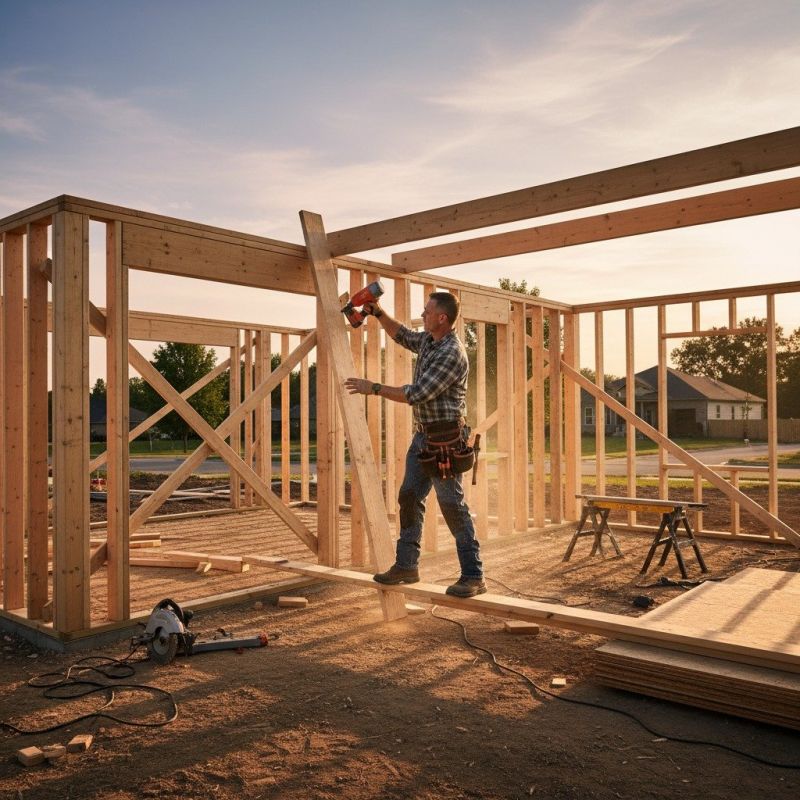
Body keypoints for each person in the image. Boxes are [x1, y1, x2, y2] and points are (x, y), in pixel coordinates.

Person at [344, 291, 485, 597]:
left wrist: (374, 388)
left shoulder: (451, 352)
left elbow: (417, 393)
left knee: (452, 506)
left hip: (446, 440)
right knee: (409, 497)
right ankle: (407, 566)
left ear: (441, 318)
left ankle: (473, 575)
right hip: (424, 437)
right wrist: (378, 313)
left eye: (426, 311)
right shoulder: (431, 341)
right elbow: (404, 336)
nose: (422, 315)